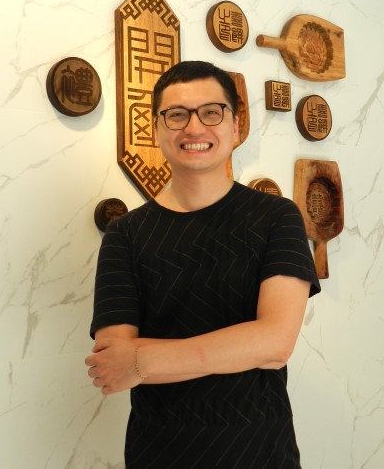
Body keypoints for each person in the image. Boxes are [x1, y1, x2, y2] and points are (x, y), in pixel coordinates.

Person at [86, 60, 321, 468]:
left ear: (235, 126)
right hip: (158, 454)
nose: (194, 128)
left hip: (261, 452)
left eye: (211, 112)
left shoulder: (276, 217)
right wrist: (240, 347)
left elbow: (275, 343)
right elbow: (112, 363)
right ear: (156, 130)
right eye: (176, 115)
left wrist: (141, 361)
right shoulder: (125, 234)